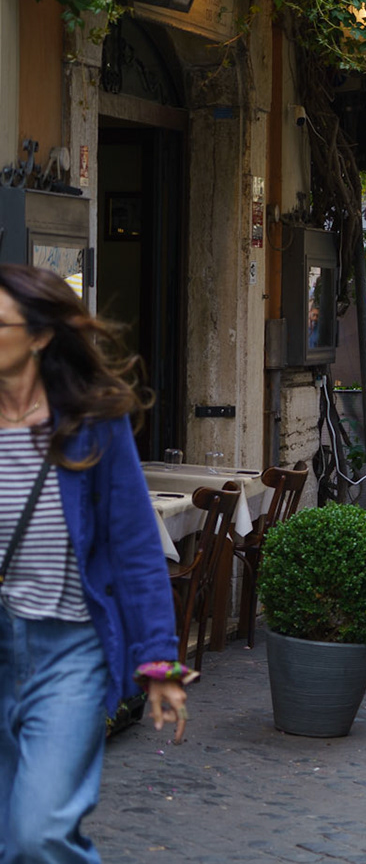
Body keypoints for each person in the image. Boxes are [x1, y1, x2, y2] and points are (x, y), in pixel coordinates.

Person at [0, 264, 192, 864]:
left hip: (70, 652)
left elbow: (135, 548)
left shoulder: (91, 424)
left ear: (39, 336)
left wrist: (158, 661)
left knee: (39, 834)